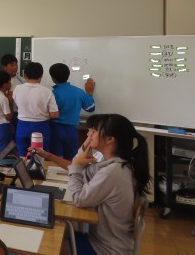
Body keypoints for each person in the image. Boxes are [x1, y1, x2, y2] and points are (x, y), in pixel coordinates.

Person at [67, 114, 151, 255]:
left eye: (95, 130)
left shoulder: (112, 172)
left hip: (106, 249)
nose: (90, 134)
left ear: (110, 139)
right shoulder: (115, 164)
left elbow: (79, 199)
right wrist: (84, 150)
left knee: (56, 238)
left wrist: (75, 166)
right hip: (107, 243)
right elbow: (83, 171)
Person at [49, 63, 96, 160]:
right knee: (71, 160)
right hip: (71, 131)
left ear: (53, 78)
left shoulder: (52, 93)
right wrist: (89, 93)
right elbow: (90, 108)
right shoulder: (78, 92)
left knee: (55, 159)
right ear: (68, 75)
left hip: (54, 130)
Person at [13, 62, 59, 156]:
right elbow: (55, 115)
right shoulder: (47, 91)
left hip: (22, 125)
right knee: (40, 156)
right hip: (41, 126)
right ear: (41, 75)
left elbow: (17, 105)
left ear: (25, 75)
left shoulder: (17, 89)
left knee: (22, 156)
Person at [32, 114, 107, 170]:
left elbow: (74, 167)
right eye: (89, 131)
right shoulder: (98, 155)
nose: (88, 134)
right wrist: (46, 154)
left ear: (109, 138)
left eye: (93, 131)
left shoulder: (107, 167)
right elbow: (73, 165)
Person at [1, 54, 24, 127]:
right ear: (4, 67)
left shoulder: (22, 81)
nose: (15, 67)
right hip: (4, 114)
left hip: (19, 113)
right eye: (12, 65)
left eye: (16, 65)